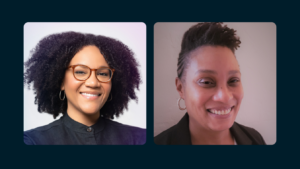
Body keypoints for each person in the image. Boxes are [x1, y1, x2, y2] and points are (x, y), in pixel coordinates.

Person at [24, 32, 146, 145]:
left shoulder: (140, 138)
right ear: (60, 81)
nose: (93, 83)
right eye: (81, 72)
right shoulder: (33, 141)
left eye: (103, 74)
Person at [154, 22, 266, 145]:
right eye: (207, 82)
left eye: (233, 80)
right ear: (181, 88)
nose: (225, 97)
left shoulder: (255, 139)